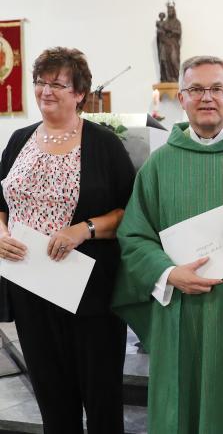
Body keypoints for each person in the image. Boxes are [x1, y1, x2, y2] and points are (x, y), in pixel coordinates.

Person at [113, 55, 223, 434]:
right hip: (180, 311)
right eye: (196, 89)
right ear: (182, 97)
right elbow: (134, 236)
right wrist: (168, 272)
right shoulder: (159, 164)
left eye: (217, 89)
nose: (207, 98)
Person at [0, 47, 135, 433]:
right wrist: (2, 234)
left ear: (79, 93)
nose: (46, 90)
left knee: (101, 396)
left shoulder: (104, 144)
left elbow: (130, 212)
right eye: (41, 82)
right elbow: (0, 202)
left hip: (88, 291)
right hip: (30, 287)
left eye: (58, 84)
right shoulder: (18, 140)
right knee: (51, 395)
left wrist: (84, 229)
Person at [156, 2, 182, 82]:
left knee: (173, 60)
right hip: (164, 43)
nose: (169, 12)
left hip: (173, 44)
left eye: (171, 11)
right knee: (164, 60)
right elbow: (160, 31)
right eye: (168, 11)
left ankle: (174, 77)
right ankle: (165, 78)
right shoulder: (165, 22)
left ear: (174, 11)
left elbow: (178, 32)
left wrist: (170, 30)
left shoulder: (177, 22)